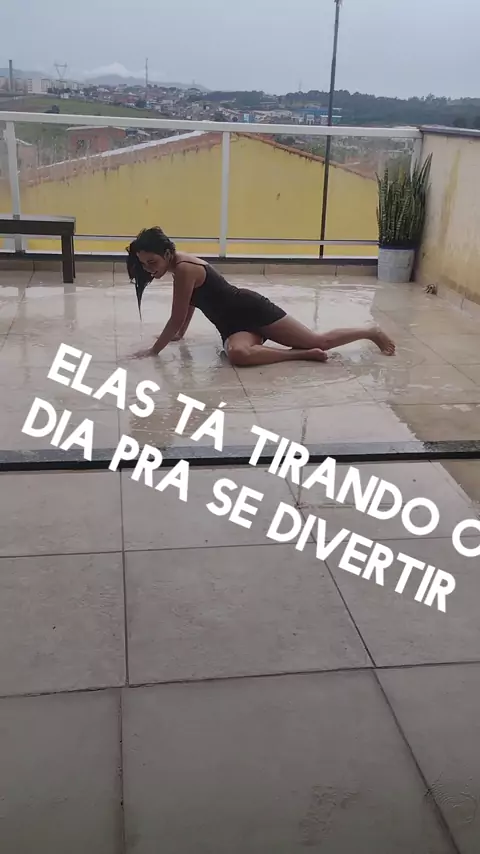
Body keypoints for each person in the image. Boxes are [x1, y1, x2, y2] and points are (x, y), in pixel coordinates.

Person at [127, 227, 395, 365]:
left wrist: (154, 351)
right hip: (232, 327)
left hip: (252, 309)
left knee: (320, 341)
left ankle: (370, 331)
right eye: (144, 265)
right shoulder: (178, 267)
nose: (149, 269)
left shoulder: (185, 268)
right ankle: (302, 355)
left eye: (152, 262)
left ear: (167, 253)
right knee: (238, 355)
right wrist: (180, 335)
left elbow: (176, 316)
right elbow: (190, 304)